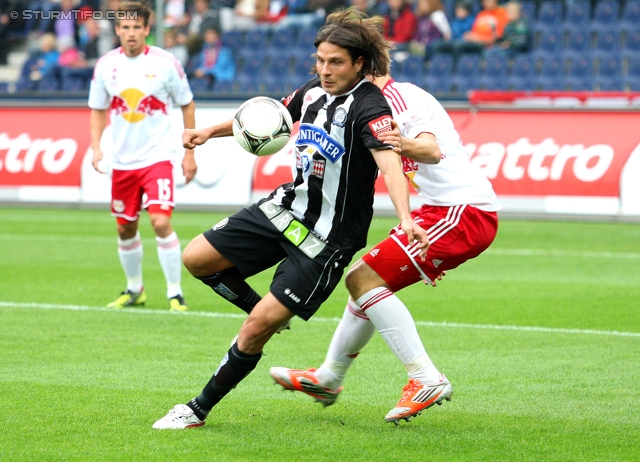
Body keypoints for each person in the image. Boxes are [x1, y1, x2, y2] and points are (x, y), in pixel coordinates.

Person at [152, 7, 429, 430]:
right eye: (320, 61)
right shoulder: (312, 92)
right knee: (196, 259)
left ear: (359, 63)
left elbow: (390, 165)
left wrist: (405, 217)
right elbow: (264, 119)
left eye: (335, 62)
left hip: (326, 239)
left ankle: (196, 409)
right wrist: (209, 132)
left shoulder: (371, 107)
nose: (325, 69)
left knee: (253, 330)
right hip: (283, 209)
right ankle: (261, 309)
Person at [269, 72, 501, 424]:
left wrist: (393, 141)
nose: (330, 74)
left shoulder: (398, 96)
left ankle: (426, 378)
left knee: (363, 280)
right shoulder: (367, 102)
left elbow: (430, 149)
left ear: (361, 65)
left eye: (340, 63)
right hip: (443, 208)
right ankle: (329, 378)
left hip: (462, 210)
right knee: (364, 284)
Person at [88, 1, 197, 312]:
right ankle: (135, 289)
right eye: (126, 27)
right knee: (125, 227)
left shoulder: (167, 63)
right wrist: (96, 147)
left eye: (137, 27)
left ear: (147, 30)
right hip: (122, 161)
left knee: (161, 221)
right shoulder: (105, 66)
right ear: (117, 30)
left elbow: (187, 104)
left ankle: (175, 292)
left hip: (157, 157)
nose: (131, 33)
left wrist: (189, 152)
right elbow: (97, 110)